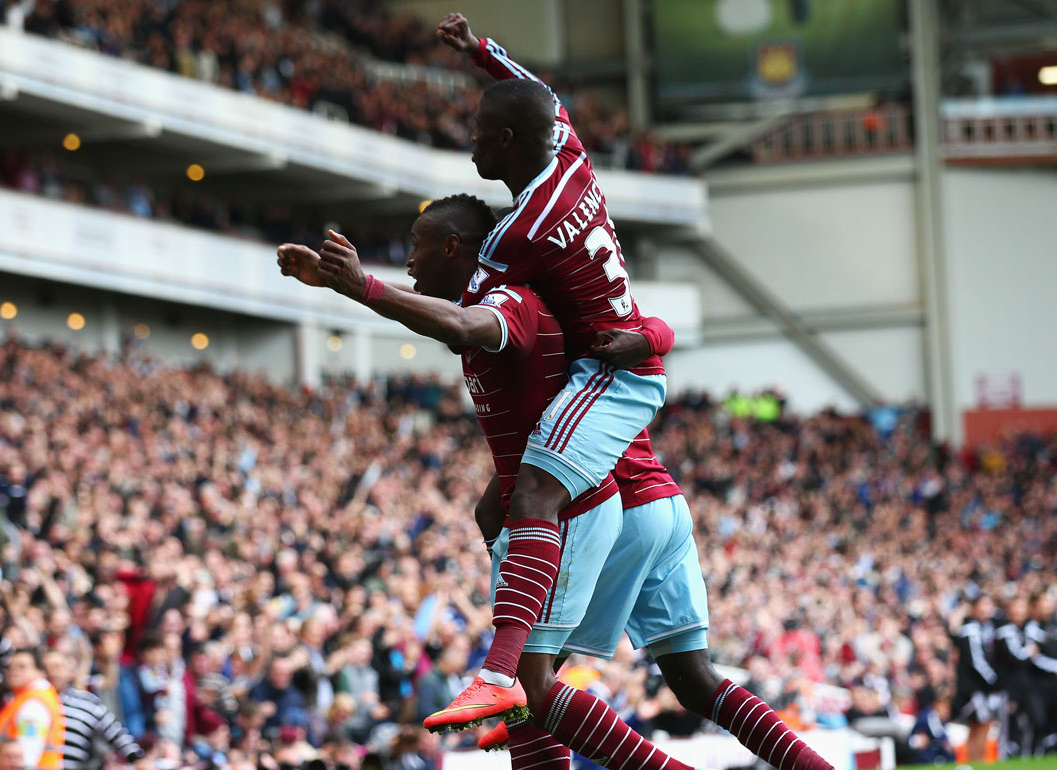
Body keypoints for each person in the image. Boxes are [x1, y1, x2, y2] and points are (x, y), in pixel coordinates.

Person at [282, 193, 831, 769]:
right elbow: (646, 326)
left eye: (417, 247)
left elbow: (466, 325)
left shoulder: (511, 301)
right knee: (692, 682)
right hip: (657, 498)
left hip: (600, 501)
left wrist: (364, 287)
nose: (409, 261)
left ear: (455, 248)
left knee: (529, 686)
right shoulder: (547, 299)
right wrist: (651, 338)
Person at [420, 12, 672, 726]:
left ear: (504, 142)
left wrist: (363, 289)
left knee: (532, 489)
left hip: (612, 379)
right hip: (626, 364)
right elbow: (539, 93)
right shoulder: (570, 155)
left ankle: (502, 672)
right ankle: (518, 680)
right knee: (497, 505)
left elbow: (468, 317)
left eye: (476, 134)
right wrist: (481, 53)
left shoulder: (515, 237)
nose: (468, 141)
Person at [42, 650, 146, 770]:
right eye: (46, 668)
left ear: (71, 672)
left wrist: (138, 758)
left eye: (57, 667)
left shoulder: (86, 702)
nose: (52, 672)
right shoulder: (32, 702)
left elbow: (116, 733)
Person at [0, 649, 66, 770]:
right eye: (10, 667)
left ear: (41, 671)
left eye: (22, 666)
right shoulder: (28, 697)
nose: (13, 671)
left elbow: (27, 755)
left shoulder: (34, 703)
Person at [1025, 591, 1057, 754]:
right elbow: (1035, 657)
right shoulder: (1032, 628)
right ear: (1034, 606)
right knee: (1040, 721)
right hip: (1039, 683)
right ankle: (1036, 754)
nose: (1047, 606)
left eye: (1049, 602)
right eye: (1043, 602)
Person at [952, 595, 999, 762]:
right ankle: (976, 760)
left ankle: (975, 760)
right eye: (983, 605)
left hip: (978, 687)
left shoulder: (985, 628)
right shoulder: (971, 630)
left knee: (981, 726)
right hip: (973, 688)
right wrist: (995, 680)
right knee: (980, 724)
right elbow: (977, 662)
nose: (987, 610)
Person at [995, 597, 1044, 758]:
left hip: (1029, 685)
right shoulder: (1004, 632)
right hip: (1011, 688)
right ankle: (1010, 757)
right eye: (1015, 609)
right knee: (1011, 727)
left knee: (1037, 719)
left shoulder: (1030, 629)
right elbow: (1015, 658)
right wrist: (1029, 651)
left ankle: (1032, 755)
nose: (1019, 613)